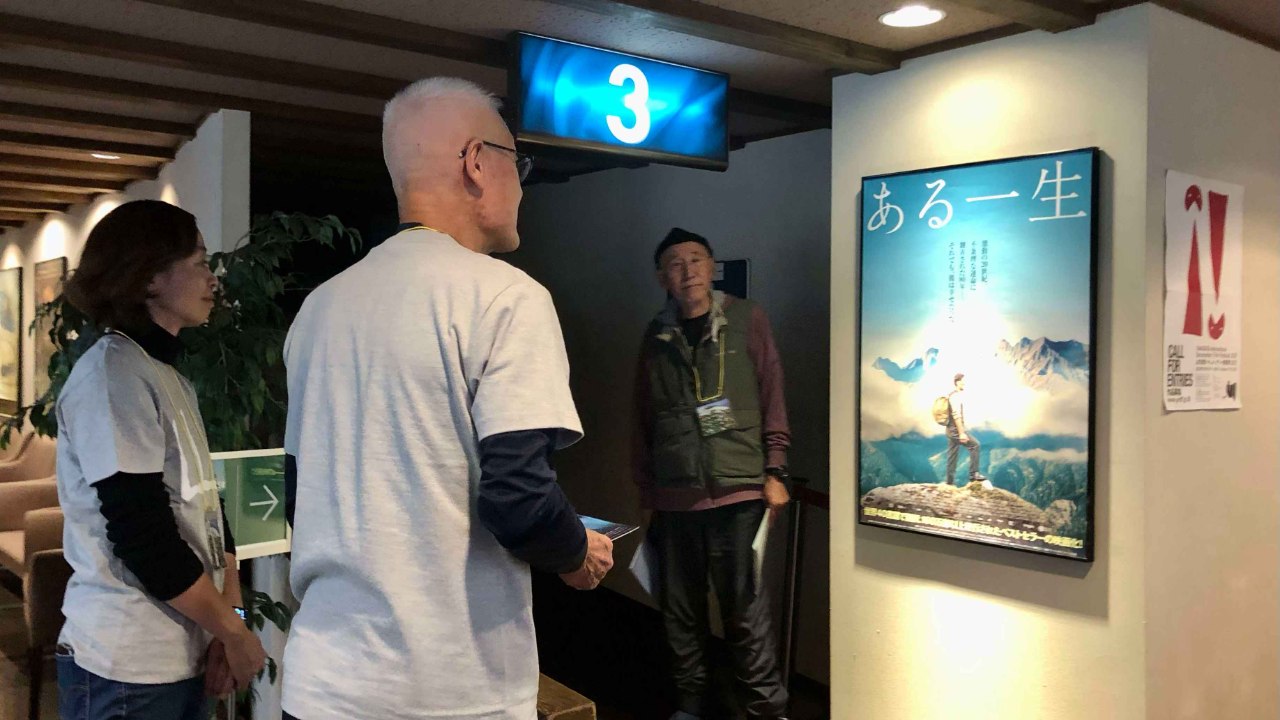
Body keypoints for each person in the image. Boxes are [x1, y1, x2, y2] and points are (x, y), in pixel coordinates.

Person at [280, 77, 614, 720]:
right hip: (451, 691)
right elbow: (519, 500)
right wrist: (577, 553)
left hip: (322, 684)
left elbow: (299, 491)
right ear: (477, 162)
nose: (523, 186)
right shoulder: (506, 298)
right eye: (517, 163)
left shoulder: (318, 309)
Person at [55, 200, 267, 719]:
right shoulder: (113, 375)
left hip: (180, 656)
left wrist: (230, 622)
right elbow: (143, 536)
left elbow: (209, 512)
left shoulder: (166, 375)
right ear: (149, 278)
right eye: (198, 262)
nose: (212, 278)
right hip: (128, 666)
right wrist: (234, 632)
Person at [633, 227, 791, 720]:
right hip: (675, 495)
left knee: (745, 612)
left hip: (738, 491)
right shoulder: (656, 335)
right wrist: (646, 491)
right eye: (676, 264)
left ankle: (766, 710)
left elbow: (772, 391)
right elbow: (642, 416)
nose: (688, 271)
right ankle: (691, 705)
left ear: (712, 266)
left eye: (697, 259)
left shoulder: (747, 318)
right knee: (680, 611)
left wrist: (776, 468)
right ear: (662, 277)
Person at [944, 372, 989, 487]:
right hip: (955, 430)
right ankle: (974, 475)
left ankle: (949, 483)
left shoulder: (951, 395)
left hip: (950, 430)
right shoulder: (955, 397)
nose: (965, 383)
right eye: (963, 381)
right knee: (975, 445)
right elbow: (956, 416)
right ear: (957, 382)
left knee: (952, 456)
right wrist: (962, 433)